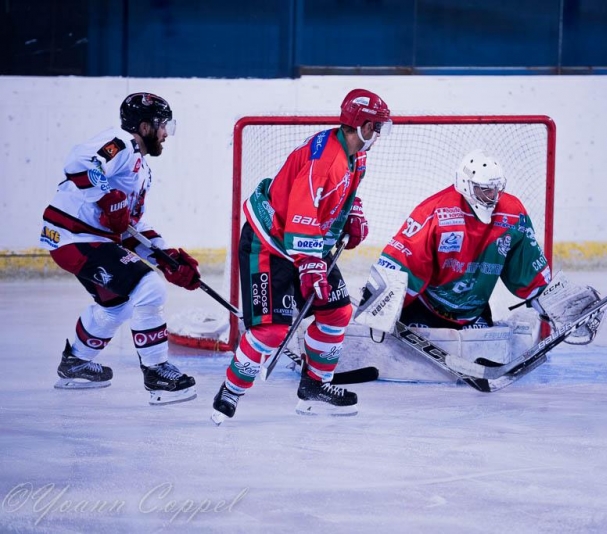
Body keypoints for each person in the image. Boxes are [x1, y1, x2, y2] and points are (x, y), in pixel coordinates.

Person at [211, 88, 391, 420]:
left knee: (337, 312)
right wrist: (310, 265)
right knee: (272, 331)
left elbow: (344, 194)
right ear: (358, 124)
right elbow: (301, 212)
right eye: (374, 126)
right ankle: (231, 391)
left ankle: (314, 386)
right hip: (270, 244)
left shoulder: (356, 155)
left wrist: (353, 214)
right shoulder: (325, 161)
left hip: (308, 245)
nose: (378, 134)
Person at [40, 92, 200, 405]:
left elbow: (129, 227)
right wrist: (105, 195)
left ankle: (76, 363)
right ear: (144, 126)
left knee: (117, 304)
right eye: (163, 126)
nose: (166, 133)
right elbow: (78, 162)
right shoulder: (121, 143)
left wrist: (168, 258)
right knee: (148, 288)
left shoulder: (141, 169)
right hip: (76, 237)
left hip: (77, 239)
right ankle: (156, 373)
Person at [374, 149, 552, 331]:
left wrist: (549, 302)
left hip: (474, 313)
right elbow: (402, 259)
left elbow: (527, 265)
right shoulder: (435, 212)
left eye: (496, 189)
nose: (493, 196)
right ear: (466, 185)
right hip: (425, 310)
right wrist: (379, 311)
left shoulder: (513, 214)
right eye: (485, 190)